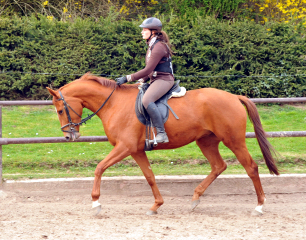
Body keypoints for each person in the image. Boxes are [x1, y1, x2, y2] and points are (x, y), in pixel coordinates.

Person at [115, 17, 175, 144]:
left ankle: (161, 133)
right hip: (156, 79)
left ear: (153, 32)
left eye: (144, 30)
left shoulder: (158, 47)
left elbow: (148, 69)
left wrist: (127, 78)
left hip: (164, 80)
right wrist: (141, 81)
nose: (142, 32)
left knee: (147, 100)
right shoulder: (152, 45)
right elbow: (151, 71)